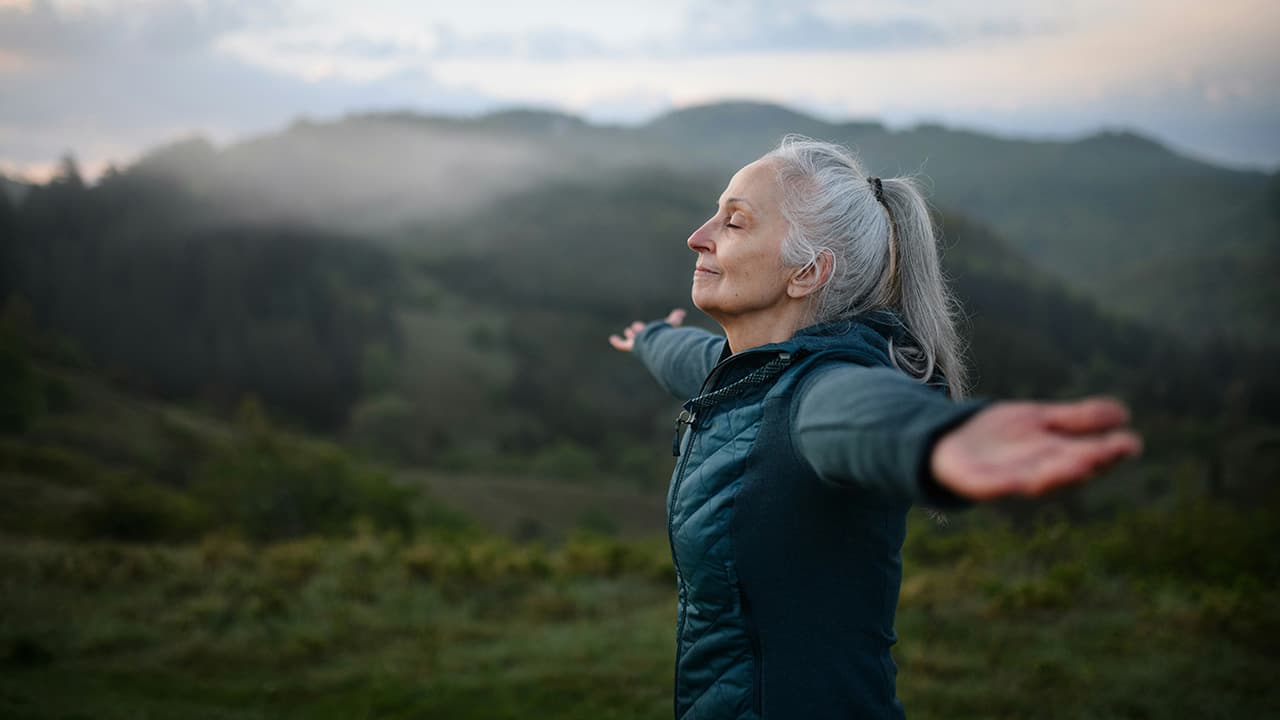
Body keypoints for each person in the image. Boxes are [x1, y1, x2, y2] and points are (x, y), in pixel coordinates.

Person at [608, 136, 1141, 719]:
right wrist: (650, 339)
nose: (698, 235)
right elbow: (693, 358)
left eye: (734, 223)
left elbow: (860, 411)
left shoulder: (816, 390)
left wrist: (935, 438)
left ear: (808, 273)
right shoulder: (746, 371)